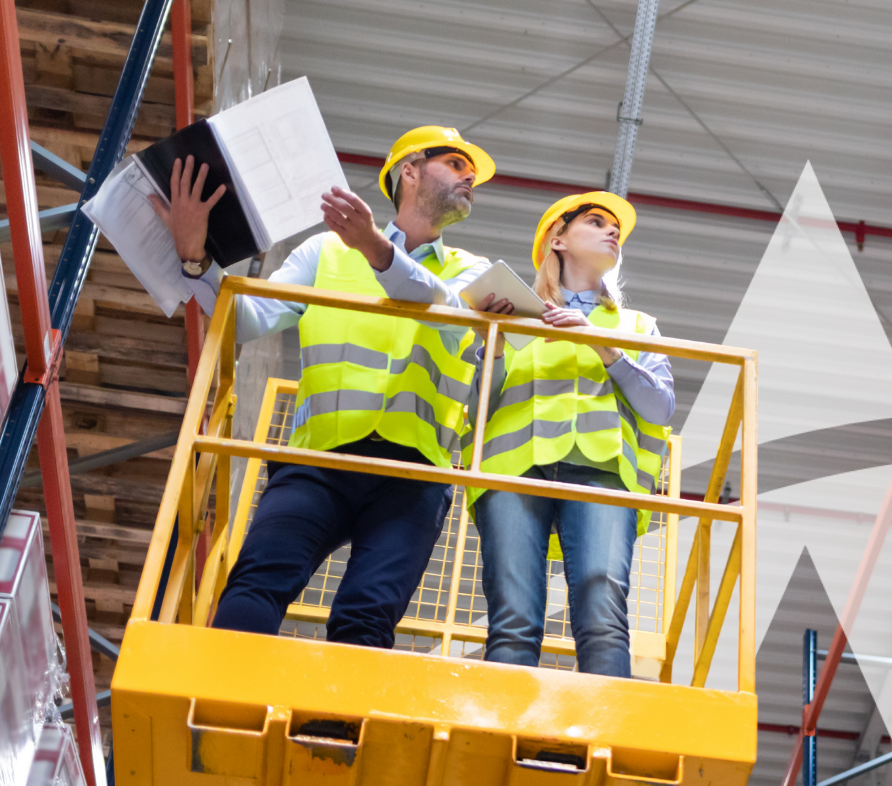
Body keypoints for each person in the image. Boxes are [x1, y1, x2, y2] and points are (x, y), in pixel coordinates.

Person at [150, 125, 514, 648]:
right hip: (317, 462)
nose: (470, 177)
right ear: (410, 171)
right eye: (456, 164)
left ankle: (335, 707)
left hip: (413, 475)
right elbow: (246, 319)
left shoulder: (472, 272)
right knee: (255, 582)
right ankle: (219, 692)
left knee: (367, 616)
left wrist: (375, 249)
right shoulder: (325, 252)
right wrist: (195, 258)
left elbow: (450, 317)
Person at [468, 192, 675, 678]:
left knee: (603, 620)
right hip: (513, 473)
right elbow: (477, 412)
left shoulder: (635, 326)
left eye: (615, 228)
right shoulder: (511, 317)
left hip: (602, 475)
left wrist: (603, 346)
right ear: (557, 240)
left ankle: (604, 724)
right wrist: (492, 344)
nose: (613, 231)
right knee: (513, 621)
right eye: (596, 222)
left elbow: (660, 407)